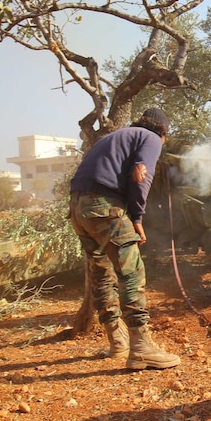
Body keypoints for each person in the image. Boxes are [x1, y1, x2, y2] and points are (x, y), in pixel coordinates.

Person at [68, 108, 180, 370]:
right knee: (131, 271)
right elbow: (141, 174)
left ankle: (117, 340)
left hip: (78, 207)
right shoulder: (151, 138)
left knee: (101, 272)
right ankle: (141, 347)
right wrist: (138, 218)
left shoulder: (118, 136)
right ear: (163, 131)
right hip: (104, 206)